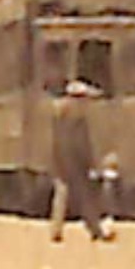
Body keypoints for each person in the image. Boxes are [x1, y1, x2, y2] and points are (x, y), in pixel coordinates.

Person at [49, 80, 114, 244]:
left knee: (64, 196)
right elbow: (78, 145)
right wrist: (89, 163)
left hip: (66, 163)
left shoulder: (64, 118)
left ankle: (58, 231)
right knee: (82, 198)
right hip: (73, 164)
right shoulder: (73, 120)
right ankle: (95, 231)